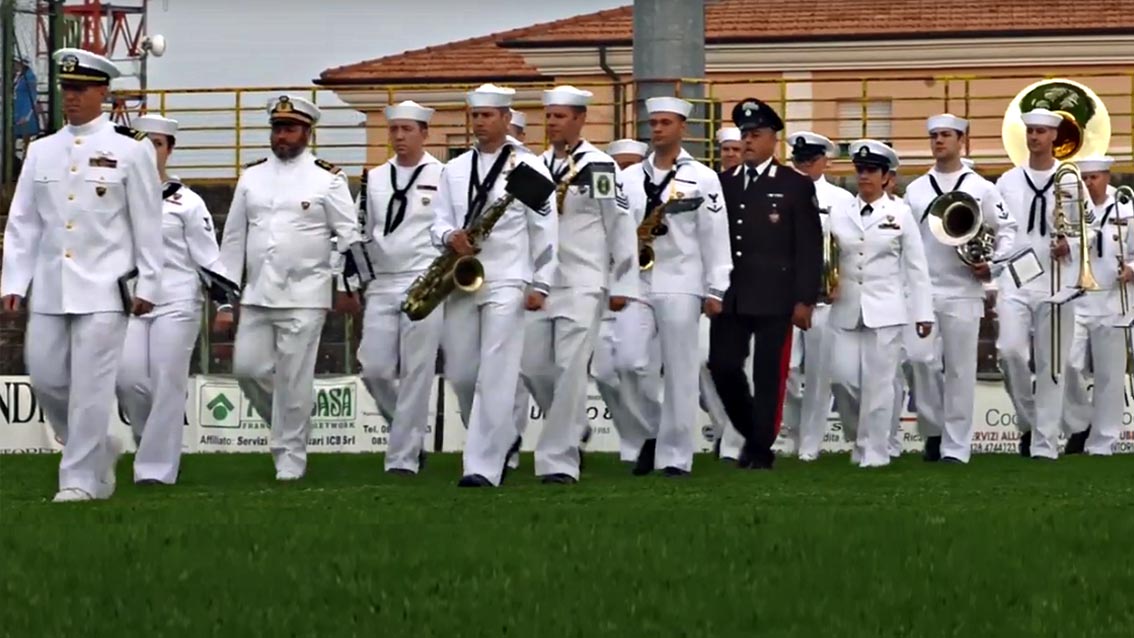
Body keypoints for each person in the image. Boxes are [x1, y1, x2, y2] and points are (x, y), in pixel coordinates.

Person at [1, 48, 162, 502]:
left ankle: (78, 481)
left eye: (80, 89)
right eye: (67, 89)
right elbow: (24, 222)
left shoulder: (131, 150)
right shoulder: (41, 150)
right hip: (52, 285)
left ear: (102, 92)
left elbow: (147, 223)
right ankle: (97, 448)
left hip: (106, 289)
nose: (71, 98)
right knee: (47, 378)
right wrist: (14, 281)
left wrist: (149, 283)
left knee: (91, 386)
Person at [215, 95, 361, 481]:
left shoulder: (328, 178)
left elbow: (348, 237)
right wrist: (224, 299)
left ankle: (290, 455)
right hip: (258, 293)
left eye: (290, 129)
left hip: (305, 294)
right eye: (277, 129)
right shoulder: (252, 176)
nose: (282, 136)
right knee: (248, 370)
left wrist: (344, 283)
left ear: (307, 133)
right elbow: (233, 240)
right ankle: (289, 424)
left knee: (295, 377)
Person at [430, 83, 558, 487]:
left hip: (508, 276)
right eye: (476, 116)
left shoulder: (530, 168)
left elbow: (546, 229)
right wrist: (450, 235)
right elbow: (437, 219)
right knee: (463, 373)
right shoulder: (453, 169)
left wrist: (542, 283)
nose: (480, 123)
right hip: (462, 278)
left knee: (497, 372)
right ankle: (499, 438)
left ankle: (482, 466)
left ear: (506, 118)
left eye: (488, 116)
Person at [520, 86, 638, 484]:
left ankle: (559, 461)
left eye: (560, 116)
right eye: (549, 116)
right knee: (534, 368)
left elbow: (619, 224)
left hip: (583, 280)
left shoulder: (600, 166)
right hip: (541, 281)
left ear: (580, 119)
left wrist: (622, 280)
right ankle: (570, 427)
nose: (552, 123)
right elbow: (519, 224)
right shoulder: (533, 167)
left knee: (570, 369)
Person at [619, 96, 731, 476]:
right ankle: (652, 431)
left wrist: (716, 288)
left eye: (666, 123)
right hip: (636, 278)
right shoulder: (630, 178)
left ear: (683, 127)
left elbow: (716, 236)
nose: (658, 129)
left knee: (682, 371)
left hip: (682, 279)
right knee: (628, 363)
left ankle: (675, 456)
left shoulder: (702, 177)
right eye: (653, 123)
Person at [708, 97, 820, 470]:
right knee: (722, 366)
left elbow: (808, 246)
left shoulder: (794, 185)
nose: (748, 142)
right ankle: (755, 434)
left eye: (755, 135)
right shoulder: (723, 183)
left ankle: (759, 448)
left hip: (776, 295)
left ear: (774, 139)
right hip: (732, 294)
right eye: (744, 135)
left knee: (769, 373)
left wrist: (805, 299)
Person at [903, 114, 1018, 463]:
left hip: (964, 289)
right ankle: (934, 429)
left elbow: (1007, 229)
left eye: (946, 135)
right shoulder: (916, 188)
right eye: (934, 136)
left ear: (961, 140)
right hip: (923, 290)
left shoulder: (982, 187)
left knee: (960, 369)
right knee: (918, 360)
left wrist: (993, 262)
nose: (939, 141)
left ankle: (955, 447)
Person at [114, 114, 222, 485]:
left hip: (177, 298)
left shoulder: (187, 202)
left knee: (165, 380)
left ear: (169, 150)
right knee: (127, 379)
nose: (150, 151)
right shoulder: (117, 195)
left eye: (158, 144)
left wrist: (222, 304)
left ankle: (155, 471)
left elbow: (209, 257)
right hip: (130, 301)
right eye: (144, 144)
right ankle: (150, 442)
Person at [828, 140, 933, 468]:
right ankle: (859, 438)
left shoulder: (900, 213)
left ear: (887, 176)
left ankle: (873, 453)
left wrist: (922, 311)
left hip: (886, 308)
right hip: (845, 306)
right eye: (860, 170)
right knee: (843, 379)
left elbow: (916, 267)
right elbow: (826, 256)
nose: (864, 176)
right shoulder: (839, 210)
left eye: (871, 170)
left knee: (879, 383)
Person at [356, 100, 444, 475]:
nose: (399, 136)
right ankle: (404, 431)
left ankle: (402, 459)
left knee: (416, 370)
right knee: (373, 368)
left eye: (407, 129)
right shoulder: (374, 178)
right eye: (394, 129)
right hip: (382, 280)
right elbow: (360, 229)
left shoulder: (444, 175)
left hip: (424, 278)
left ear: (424, 133)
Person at [995, 107, 1081, 460]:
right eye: (1030, 131)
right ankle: (1029, 422)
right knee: (1010, 352)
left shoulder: (1071, 180)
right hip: (1016, 277)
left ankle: (1045, 444)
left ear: (1053, 137)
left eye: (1041, 132)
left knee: (1053, 364)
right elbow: (999, 229)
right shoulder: (1007, 181)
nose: (1034, 137)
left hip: (1058, 279)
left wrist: (1070, 244)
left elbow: (1086, 230)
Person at [779, 131, 855, 461]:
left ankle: (810, 444)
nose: (805, 165)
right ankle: (793, 431)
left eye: (811, 160)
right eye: (799, 159)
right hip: (784, 294)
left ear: (825, 161)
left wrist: (842, 283)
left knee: (821, 373)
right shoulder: (779, 191)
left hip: (824, 296)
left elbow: (850, 248)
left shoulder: (840, 199)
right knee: (788, 370)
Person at [1060, 156, 1134, 456]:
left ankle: (1103, 442)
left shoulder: (1128, 209)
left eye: (1094, 177)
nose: (1089, 183)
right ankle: (1081, 422)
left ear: (1107, 177)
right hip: (1077, 299)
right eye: (1085, 178)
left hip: (1114, 301)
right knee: (1065, 365)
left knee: (1109, 375)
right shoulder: (1069, 210)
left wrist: (1132, 267)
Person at [594, 138, 658, 463]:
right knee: (603, 373)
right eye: (620, 164)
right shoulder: (598, 191)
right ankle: (639, 437)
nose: (626, 170)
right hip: (597, 287)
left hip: (635, 288)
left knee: (631, 363)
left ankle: (650, 435)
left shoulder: (645, 192)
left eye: (632, 163)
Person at [13, 56, 41, 155]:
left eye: (16, 63)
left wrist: (26, 115)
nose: (14, 65)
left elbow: (33, 95)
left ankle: (26, 160)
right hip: (18, 111)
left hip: (26, 112)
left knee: (26, 140)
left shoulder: (30, 77)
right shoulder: (19, 76)